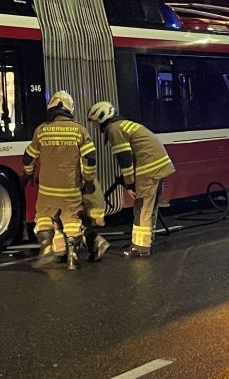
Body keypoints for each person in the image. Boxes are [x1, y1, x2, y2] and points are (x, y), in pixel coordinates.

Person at [87, 101, 175, 258]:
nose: (94, 126)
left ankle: (140, 247)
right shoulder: (123, 125)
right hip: (157, 166)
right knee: (149, 207)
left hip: (148, 169)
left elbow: (125, 159)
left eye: (94, 122)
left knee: (141, 208)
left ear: (101, 117)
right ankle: (146, 242)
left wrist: (130, 184)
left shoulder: (114, 129)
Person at [22, 90, 96, 270]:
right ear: (69, 109)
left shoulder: (41, 130)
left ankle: (47, 250)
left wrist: (28, 173)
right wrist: (89, 179)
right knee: (72, 220)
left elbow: (29, 157)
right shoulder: (79, 130)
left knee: (44, 218)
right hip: (70, 187)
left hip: (47, 189)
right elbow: (90, 157)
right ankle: (73, 257)